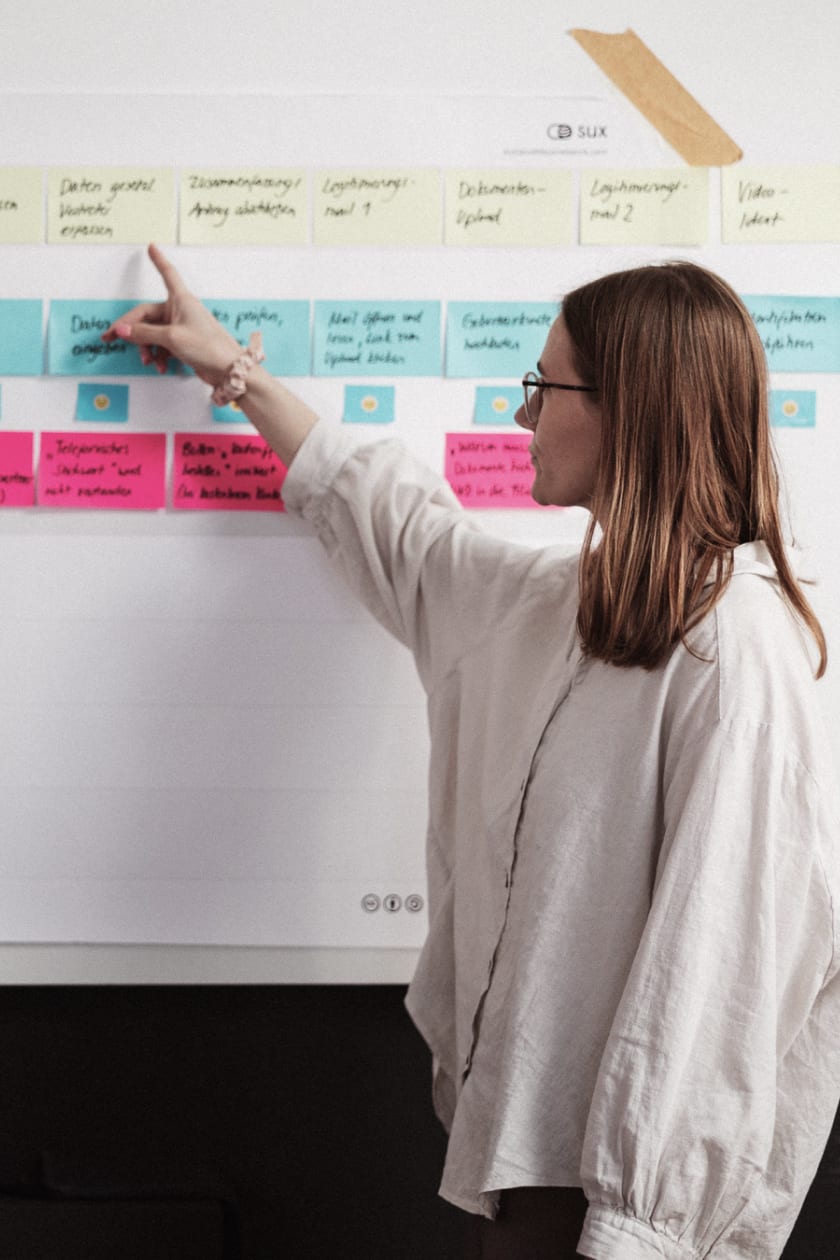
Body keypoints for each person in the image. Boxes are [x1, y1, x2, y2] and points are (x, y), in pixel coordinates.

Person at [104, 246, 840, 1260]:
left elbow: (720, 971)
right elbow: (407, 535)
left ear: (631, 409)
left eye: (546, 385)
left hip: (620, 1218)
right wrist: (234, 370)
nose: (523, 413)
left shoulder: (735, 650)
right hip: (530, 1175)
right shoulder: (561, 607)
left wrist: (640, 1230)